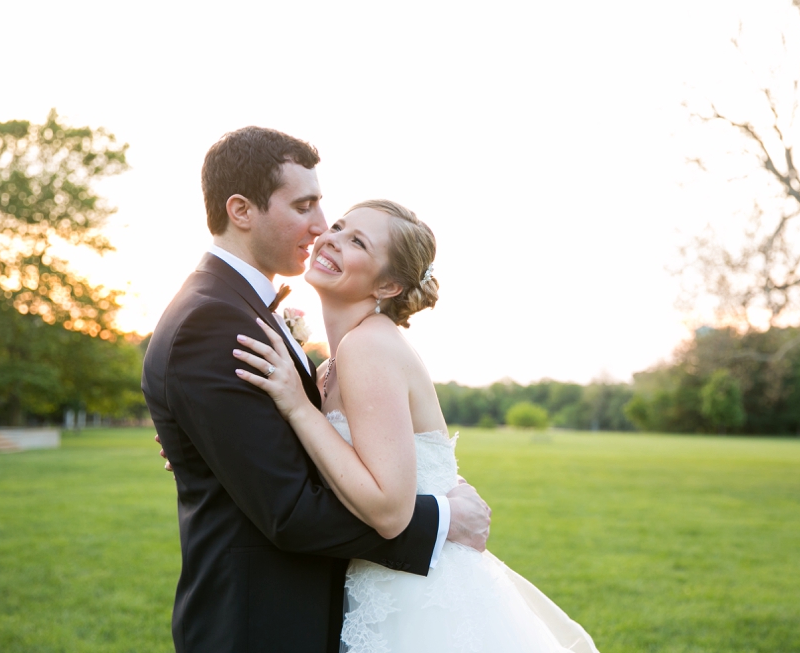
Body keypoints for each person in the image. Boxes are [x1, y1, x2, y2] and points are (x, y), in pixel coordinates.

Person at [142, 127, 491, 653]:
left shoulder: (250, 311)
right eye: (305, 206)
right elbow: (289, 511)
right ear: (241, 210)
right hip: (257, 624)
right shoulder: (214, 319)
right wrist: (439, 520)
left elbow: (281, 455)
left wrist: (217, 449)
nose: (322, 227)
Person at [234, 199, 600, 652]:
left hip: (416, 600)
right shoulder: (331, 364)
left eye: (357, 242)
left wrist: (297, 407)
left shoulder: (367, 348)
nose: (331, 239)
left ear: (387, 285)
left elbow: (390, 510)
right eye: (341, 226)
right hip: (382, 581)